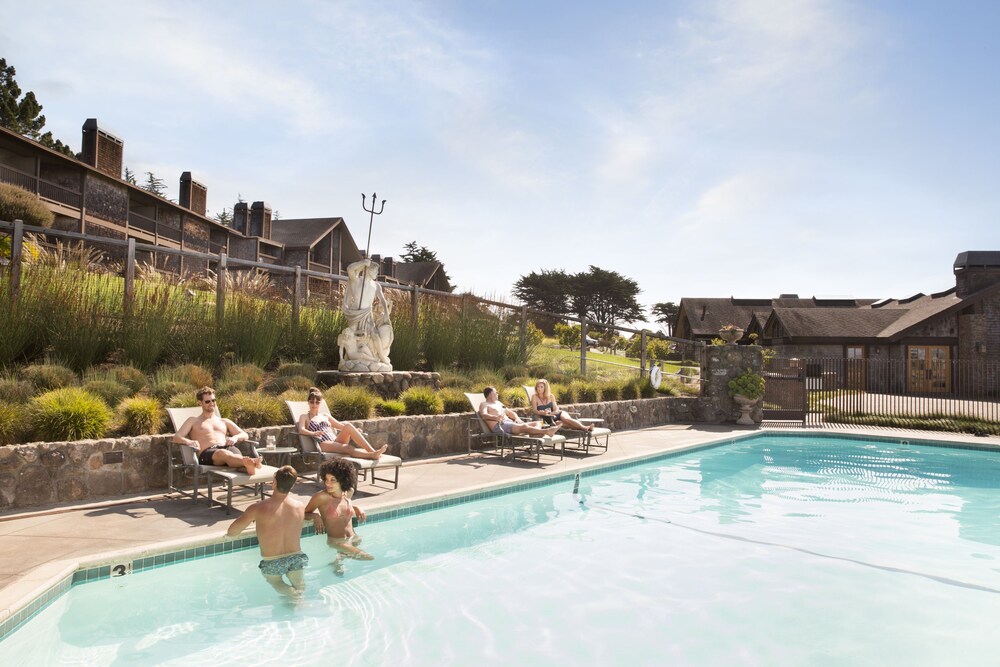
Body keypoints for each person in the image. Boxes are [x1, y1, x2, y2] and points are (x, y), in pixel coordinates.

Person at [226, 465, 309, 598]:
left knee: (276, 582)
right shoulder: (299, 506)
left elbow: (232, 531)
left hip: (272, 560)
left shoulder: (258, 508)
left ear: (274, 483)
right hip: (296, 557)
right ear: (292, 485)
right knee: (299, 585)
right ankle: (299, 600)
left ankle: (294, 597)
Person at [172, 386, 261, 475]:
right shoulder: (193, 420)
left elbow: (244, 434)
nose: (211, 403)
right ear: (200, 403)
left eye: (213, 400)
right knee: (223, 453)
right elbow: (177, 437)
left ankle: (248, 466)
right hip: (207, 454)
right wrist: (188, 442)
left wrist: (235, 437)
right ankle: (252, 462)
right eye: (207, 401)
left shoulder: (224, 421)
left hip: (228, 449)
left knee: (234, 456)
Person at [306, 458, 373, 574]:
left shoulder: (349, 492)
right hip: (336, 542)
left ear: (342, 480)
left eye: (333, 480)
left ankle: (337, 561)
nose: (328, 483)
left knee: (361, 556)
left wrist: (356, 508)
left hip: (354, 538)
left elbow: (343, 506)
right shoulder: (321, 497)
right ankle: (338, 559)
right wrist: (315, 516)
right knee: (367, 557)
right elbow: (304, 512)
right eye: (326, 479)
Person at [296, 387, 388, 461]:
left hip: (335, 440)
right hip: (323, 443)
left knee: (348, 426)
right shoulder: (304, 416)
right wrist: (313, 433)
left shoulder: (325, 415)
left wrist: (355, 431)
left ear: (320, 403)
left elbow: (341, 426)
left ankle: (373, 451)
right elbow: (301, 429)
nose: (314, 404)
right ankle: (371, 455)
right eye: (312, 402)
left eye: (317, 402)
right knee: (347, 448)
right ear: (308, 402)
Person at [478, 386, 561, 438]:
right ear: (489, 394)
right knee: (524, 426)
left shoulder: (498, 403)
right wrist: (496, 417)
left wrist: (517, 418)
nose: (497, 393)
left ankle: (534, 434)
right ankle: (546, 431)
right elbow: (484, 415)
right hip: (499, 426)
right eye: (495, 392)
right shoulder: (484, 404)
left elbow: (510, 412)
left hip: (509, 423)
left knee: (538, 423)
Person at [530, 379, 595, 432]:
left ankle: (584, 427)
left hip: (557, 413)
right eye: (538, 387)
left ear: (545, 388)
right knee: (558, 423)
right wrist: (540, 412)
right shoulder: (535, 397)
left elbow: (556, 409)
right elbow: (534, 410)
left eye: (541, 387)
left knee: (566, 419)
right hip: (548, 418)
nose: (539, 389)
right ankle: (584, 428)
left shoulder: (551, 396)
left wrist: (550, 413)